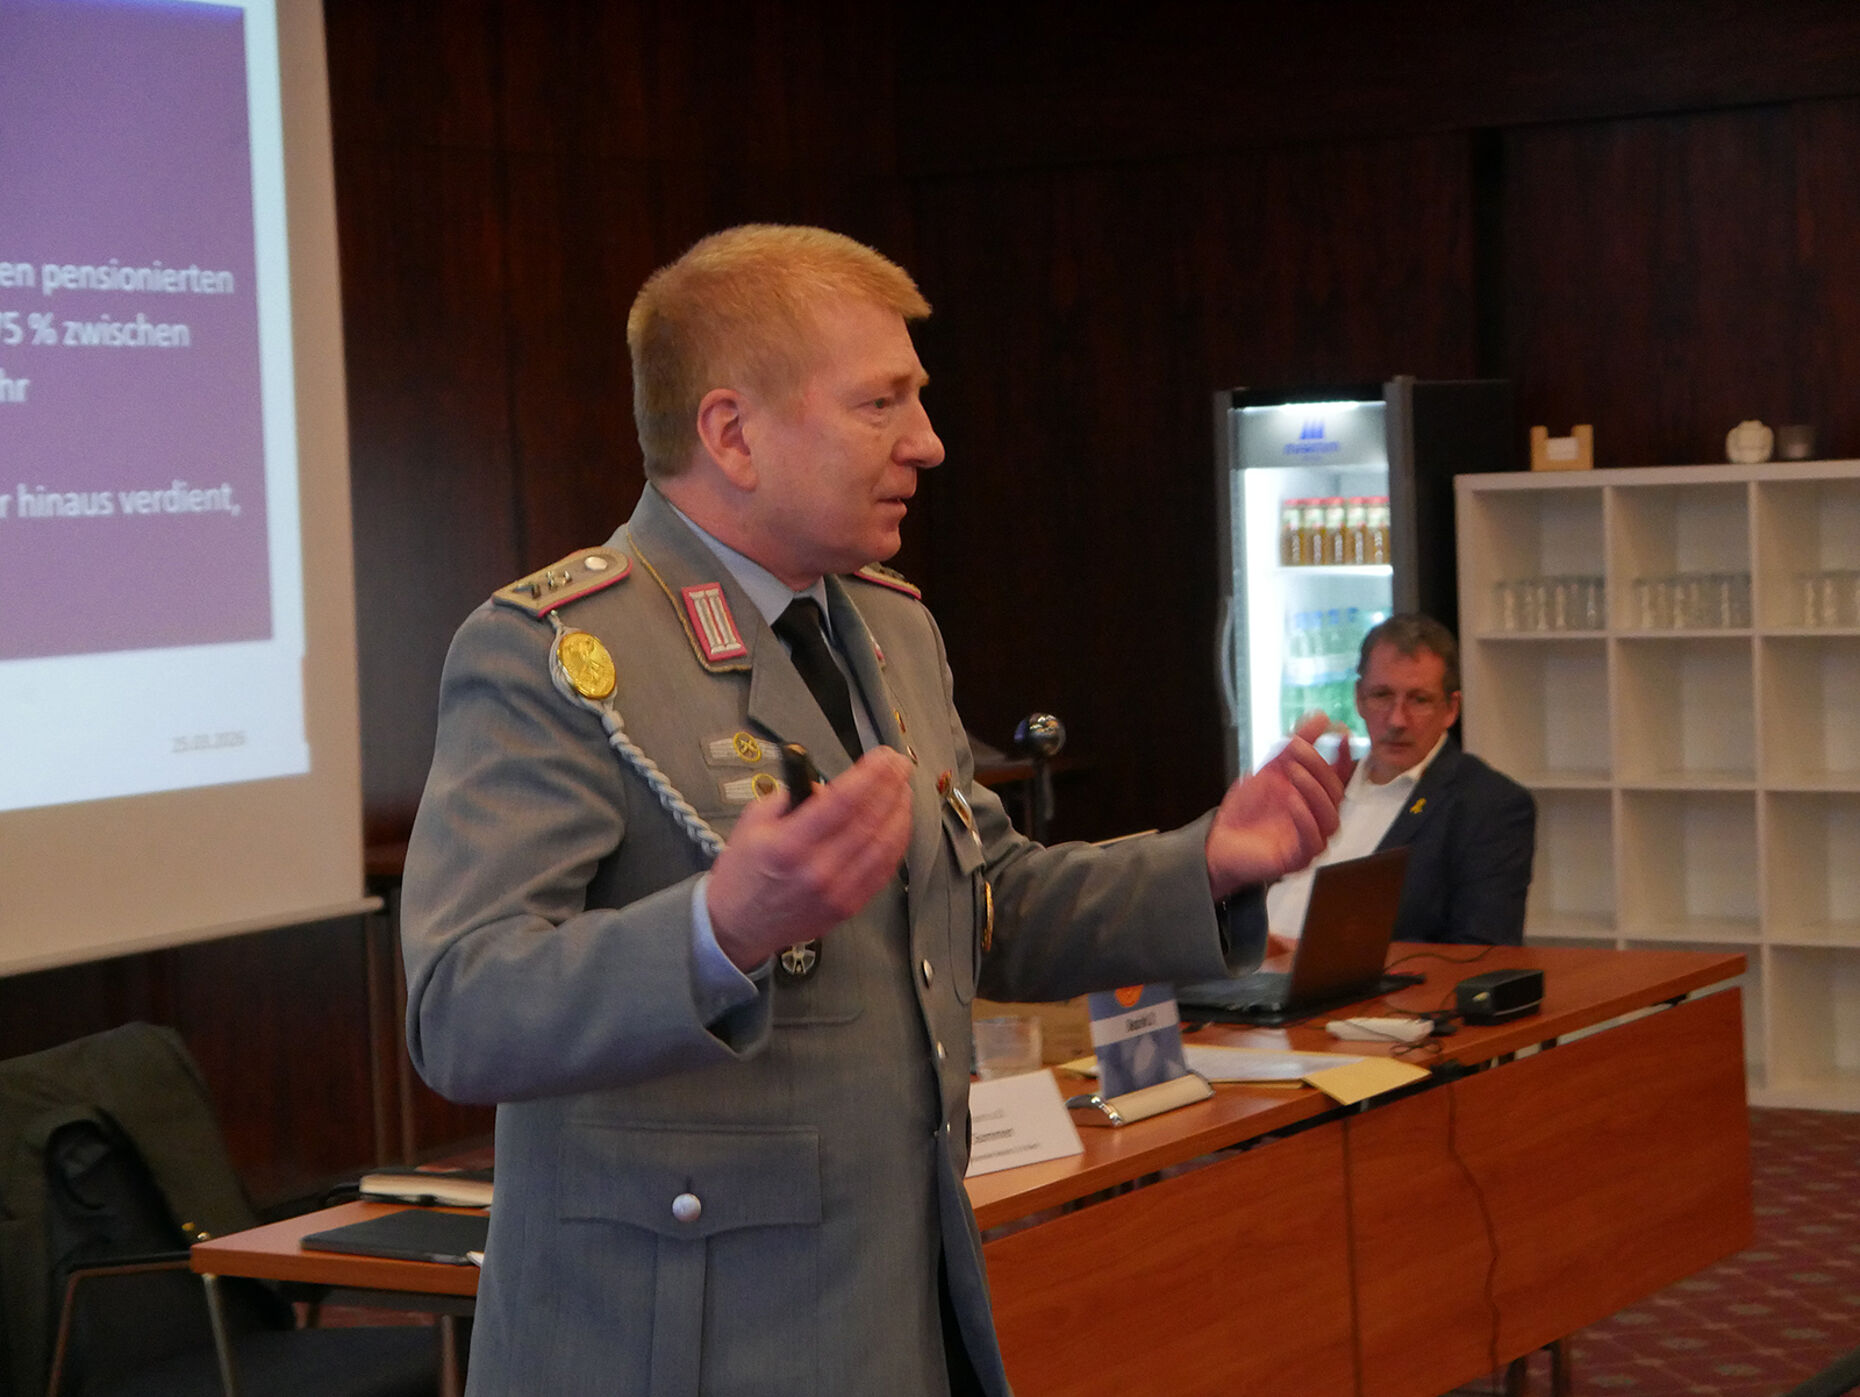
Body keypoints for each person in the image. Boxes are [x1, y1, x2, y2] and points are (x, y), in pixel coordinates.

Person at [398, 224, 1348, 1397]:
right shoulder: (557, 651)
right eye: (881, 403)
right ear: (732, 432)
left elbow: (977, 902)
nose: (927, 443)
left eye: (919, 400)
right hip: (682, 1349)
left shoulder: (888, 624)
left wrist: (1204, 860)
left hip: (892, 1318)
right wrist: (717, 930)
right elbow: (462, 1009)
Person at [1265, 612, 1535, 947]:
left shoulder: (1488, 805)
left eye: (1419, 700)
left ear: (1451, 709)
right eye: (1381, 696)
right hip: (1239, 981)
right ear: (1358, 699)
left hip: (1359, 996)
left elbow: (1482, 952)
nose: (1396, 720)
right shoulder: (1323, 785)